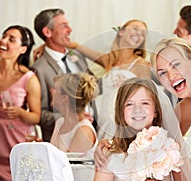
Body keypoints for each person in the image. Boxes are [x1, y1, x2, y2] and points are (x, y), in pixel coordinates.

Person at [91, 77, 191, 181]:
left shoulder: (170, 147)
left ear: (155, 111)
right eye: (129, 104)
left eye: (145, 103)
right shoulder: (109, 152)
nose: (137, 109)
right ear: (120, 112)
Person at [0, 25, 41, 181]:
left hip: (17, 142)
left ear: (23, 49)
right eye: (3, 36)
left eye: (11, 39)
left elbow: (35, 116)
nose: (3, 41)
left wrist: (20, 112)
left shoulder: (29, 78)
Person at [67, 19, 152, 139]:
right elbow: (77, 46)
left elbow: (149, 97)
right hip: (104, 120)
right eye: (135, 29)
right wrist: (45, 46)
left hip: (126, 122)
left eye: (143, 34)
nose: (139, 34)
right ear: (121, 32)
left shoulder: (141, 64)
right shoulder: (109, 60)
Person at [31, 8, 91, 142]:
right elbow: (40, 114)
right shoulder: (38, 69)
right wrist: (72, 118)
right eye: (64, 26)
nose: (70, 30)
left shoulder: (77, 55)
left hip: (91, 133)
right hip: (62, 141)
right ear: (47, 32)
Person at [50, 72, 99, 155]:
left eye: (55, 88)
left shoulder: (84, 131)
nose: (51, 90)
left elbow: (66, 165)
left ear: (64, 98)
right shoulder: (60, 122)